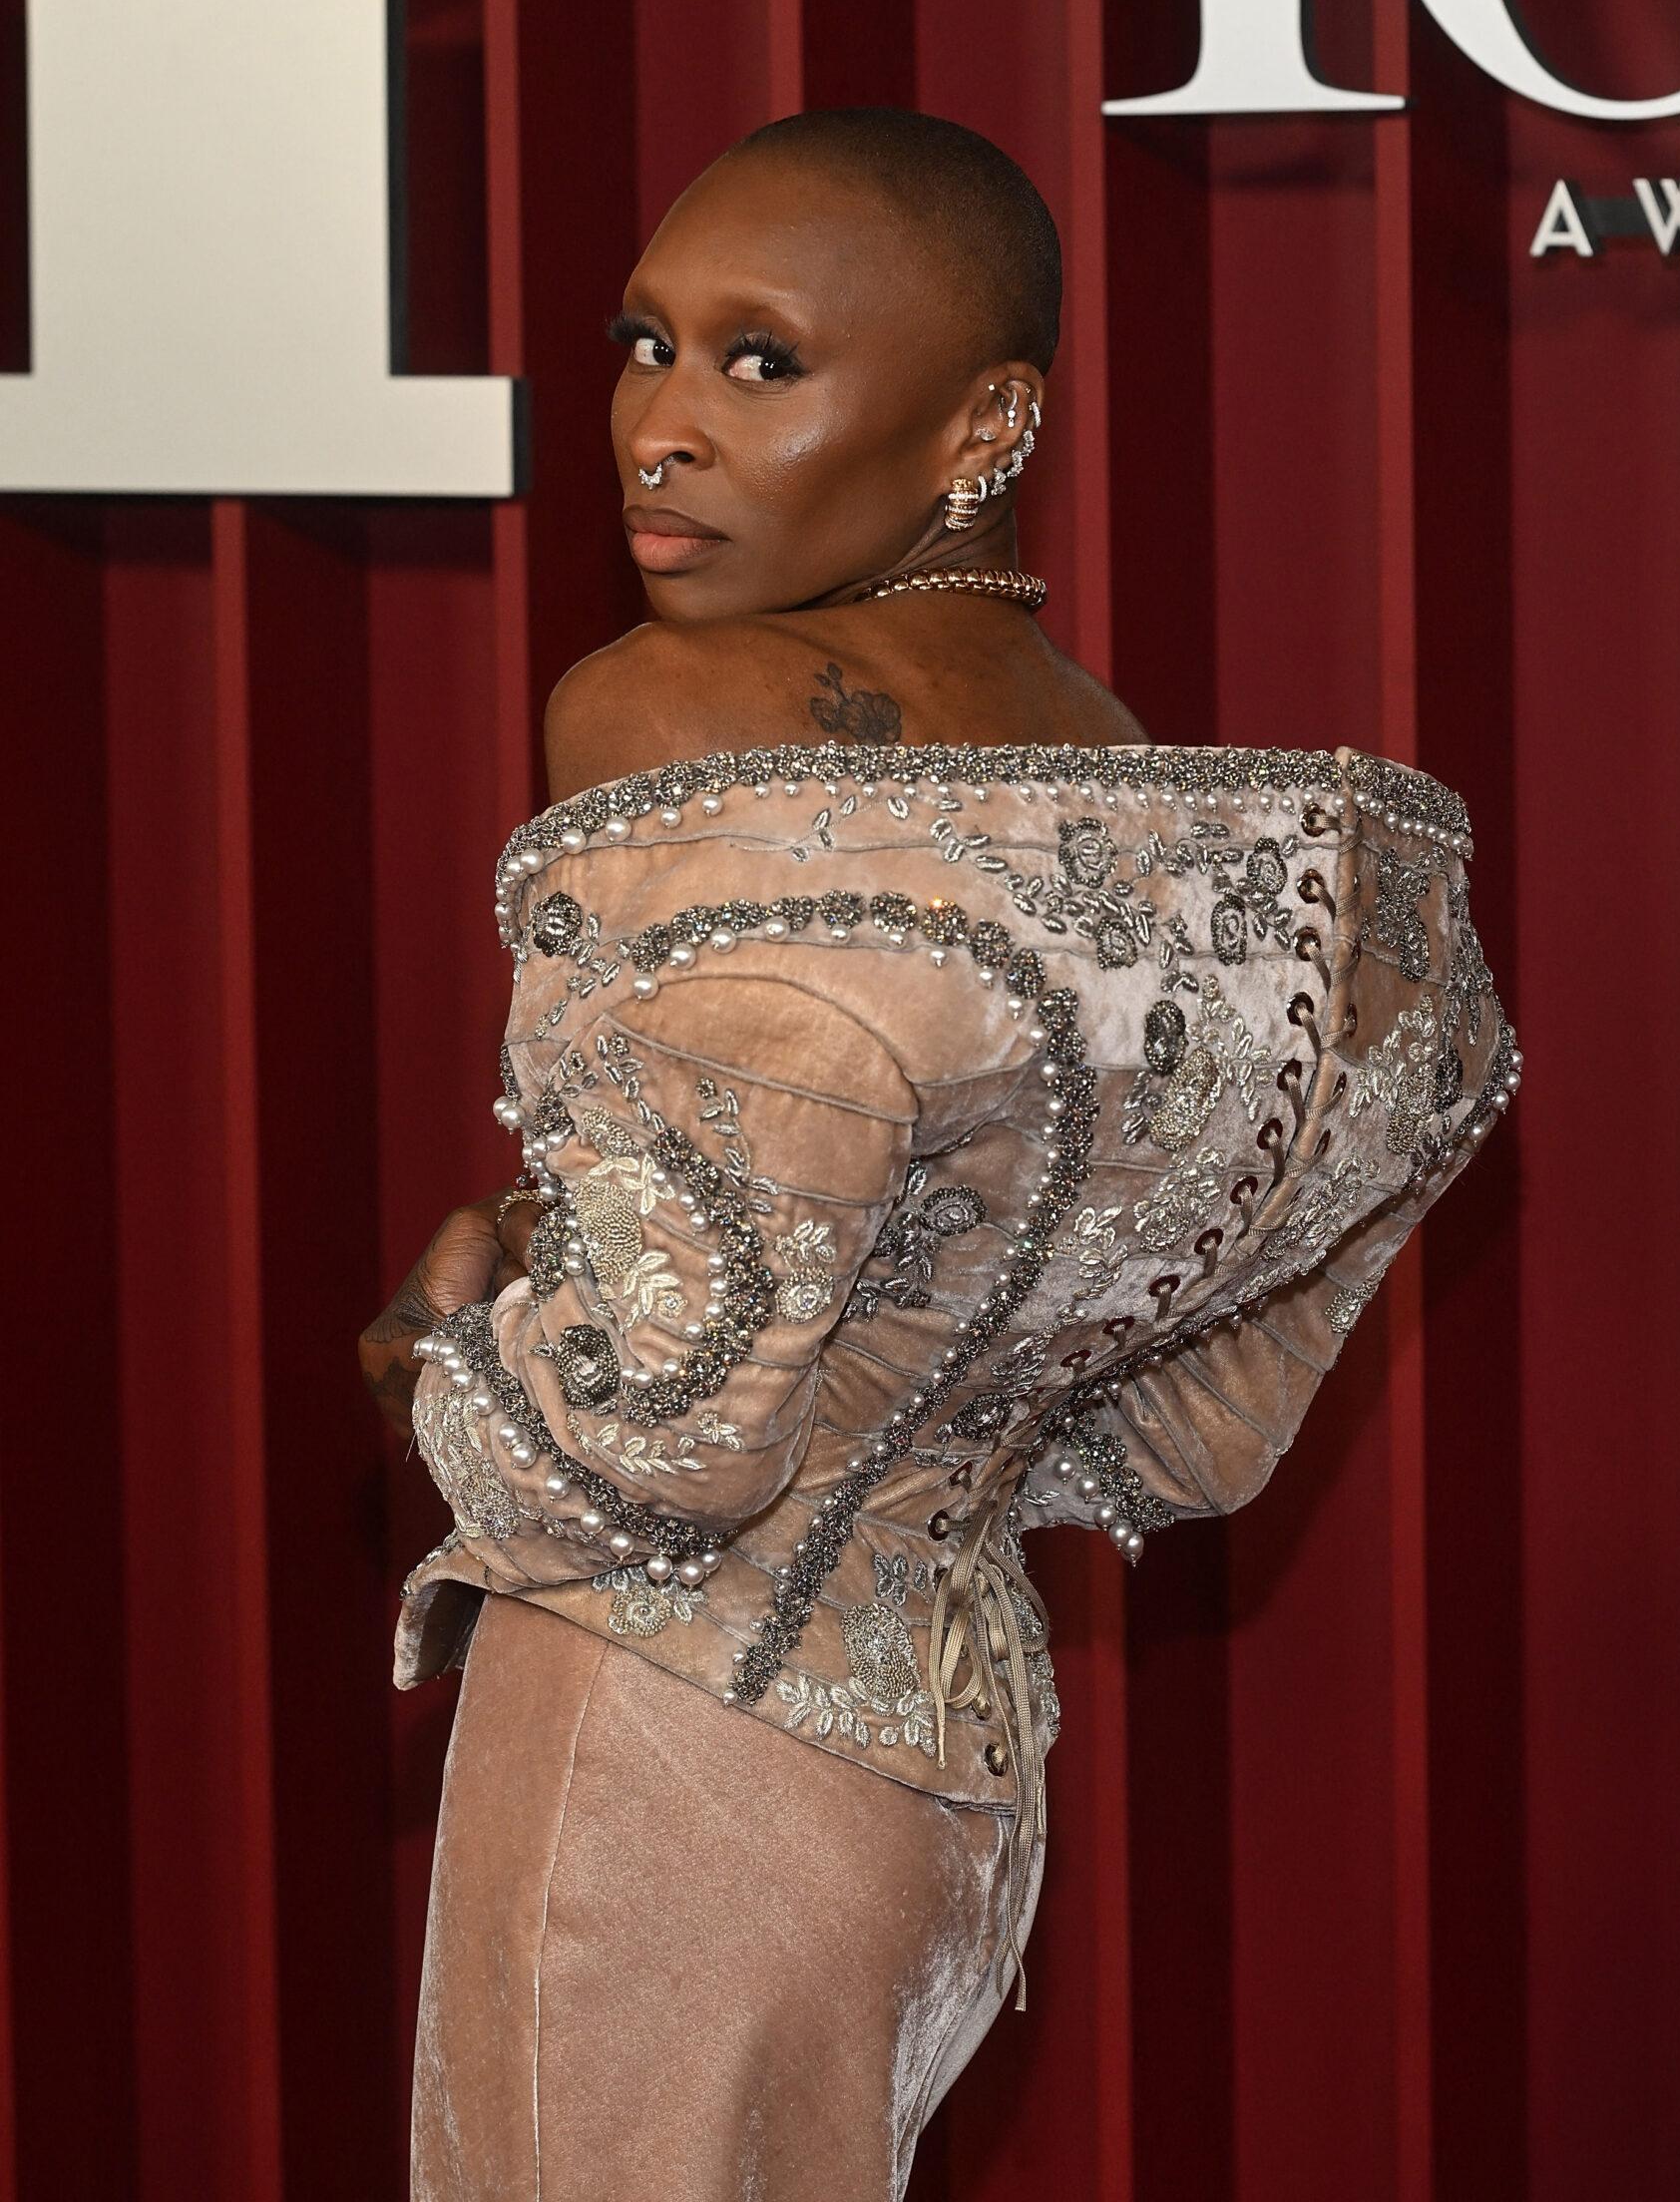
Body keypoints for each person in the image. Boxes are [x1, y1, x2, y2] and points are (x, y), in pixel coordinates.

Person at [358, 109, 1518, 2202]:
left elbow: (657, 1428)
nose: (660, 428)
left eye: (760, 362)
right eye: (644, 344)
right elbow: (1190, 1408)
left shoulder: (671, 708)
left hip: (662, 1732)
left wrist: (447, 1342)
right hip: (941, 1783)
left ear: (986, 420)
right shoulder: (1110, 766)